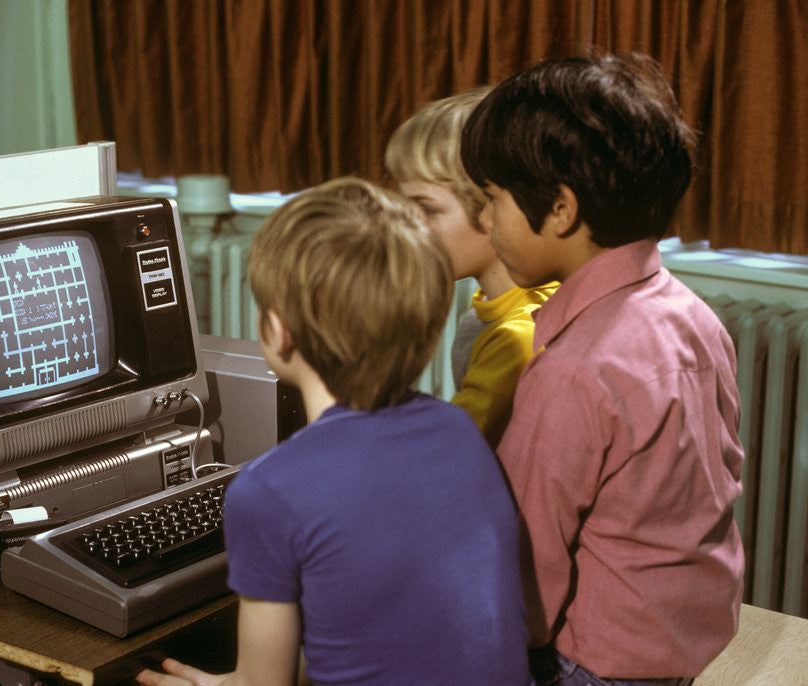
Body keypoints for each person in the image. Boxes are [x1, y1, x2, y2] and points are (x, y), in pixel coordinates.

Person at [136, 177, 532, 686]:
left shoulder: (268, 491)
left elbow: (265, 684)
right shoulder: (458, 430)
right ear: (432, 327)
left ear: (278, 331)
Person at [460, 53, 745, 685]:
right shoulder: (694, 316)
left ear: (559, 209)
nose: (484, 222)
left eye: (493, 200)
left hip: (596, 661)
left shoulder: (571, 370)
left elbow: (528, 570)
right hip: (679, 639)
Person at [385, 89, 556, 448]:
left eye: (427, 208)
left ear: (492, 207)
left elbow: (443, 450)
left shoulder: (519, 336)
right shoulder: (490, 305)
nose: (409, 225)